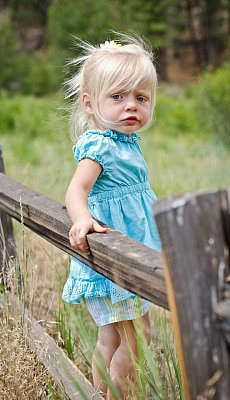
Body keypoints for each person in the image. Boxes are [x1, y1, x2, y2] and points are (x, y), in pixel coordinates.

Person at [62, 33, 161, 399]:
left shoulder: (126, 144)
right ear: (90, 103)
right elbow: (76, 190)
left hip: (126, 255)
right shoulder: (101, 144)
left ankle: (99, 394)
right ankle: (119, 395)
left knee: (113, 336)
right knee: (139, 336)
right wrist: (82, 218)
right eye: (117, 97)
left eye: (141, 98)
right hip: (112, 259)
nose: (131, 106)